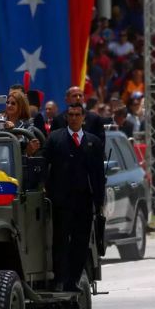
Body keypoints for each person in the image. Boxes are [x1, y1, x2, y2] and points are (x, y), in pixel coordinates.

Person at [43, 103, 105, 291]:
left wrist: (99, 201)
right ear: (66, 117)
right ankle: (60, 279)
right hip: (61, 201)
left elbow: (98, 175)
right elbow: (45, 166)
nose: (74, 118)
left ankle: (74, 280)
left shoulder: (93, 142)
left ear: (83, 118)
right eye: (71, 114)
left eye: (78, 115)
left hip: (84, 202)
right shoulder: (55, 139)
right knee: (61, 241)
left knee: (80, 242)